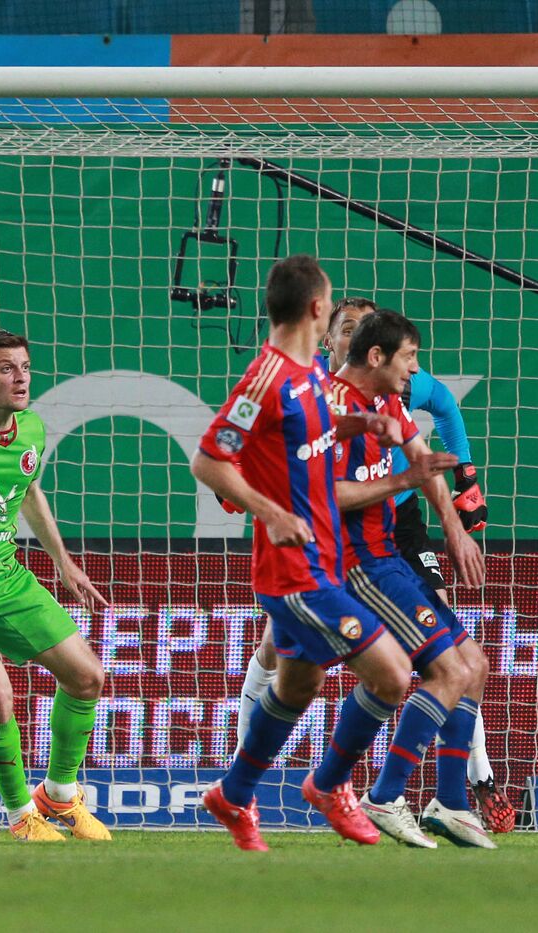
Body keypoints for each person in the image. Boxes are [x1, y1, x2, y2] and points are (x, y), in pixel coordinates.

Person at [234, 296, 514, 831]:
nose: (415, 369)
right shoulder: (308, 394)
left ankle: (461, 787)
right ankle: (260, 785)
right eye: (346, 328)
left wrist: (457, 515)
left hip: (393, 534)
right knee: (299, 675)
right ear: (351, 347)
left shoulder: (391, 397)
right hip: (331, 551)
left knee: (452, 662)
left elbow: (432, 435)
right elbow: (291, 477)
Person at [192, 255, 423, 852]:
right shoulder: (266, 377)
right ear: (319, 309)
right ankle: (330, 786)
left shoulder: (310, 379)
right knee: (394, 676)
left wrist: (365, 425)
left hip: (320, 561)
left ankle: (233, 795)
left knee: (298, 687)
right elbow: (209, 460)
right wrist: (270, 512)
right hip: (293, 569)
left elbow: (316, 431)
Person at [325, 308, 495, 849]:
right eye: (409, 358)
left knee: (474, 666)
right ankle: (383, 793)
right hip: (357, 564)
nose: (415, 370)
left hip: (390, 556)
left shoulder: (389, 401)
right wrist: (402, 479)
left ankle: (450, 801)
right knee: (440, 673)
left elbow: (423, 458)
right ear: (376, 357)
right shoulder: (332, 409)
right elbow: (328, 496)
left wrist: (455, 528)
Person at [0, 328, 110, 841]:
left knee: (87, 676)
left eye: (24, 367)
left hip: (5, 575)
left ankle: (60, 797)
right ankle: (20, 814)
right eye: (6, 368)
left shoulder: (31, 429)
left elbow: (27, 491)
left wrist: (64, 563)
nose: (20, 377)